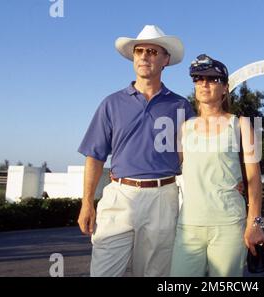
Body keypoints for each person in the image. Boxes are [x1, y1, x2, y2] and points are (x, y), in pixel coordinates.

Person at [77, 25, 195, 277]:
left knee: (155, 274)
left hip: (164, 198)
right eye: (139, 50)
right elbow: (95, 156)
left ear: (165, 60)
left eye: (152, 51)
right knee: (103, 272)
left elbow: (192, 158)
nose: (144, 56)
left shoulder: (181, 105)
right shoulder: (111, 103)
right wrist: (87, 202)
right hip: (119, 195)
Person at [170, 54, 264, 277]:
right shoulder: (183, 128)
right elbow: (168, 169)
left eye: (212, 79)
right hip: (188, 227)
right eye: (198, 78)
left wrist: (255, 222)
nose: (204, 83)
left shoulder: (242, 124)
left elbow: (254, 178)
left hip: (229, 226)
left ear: (225, 88)